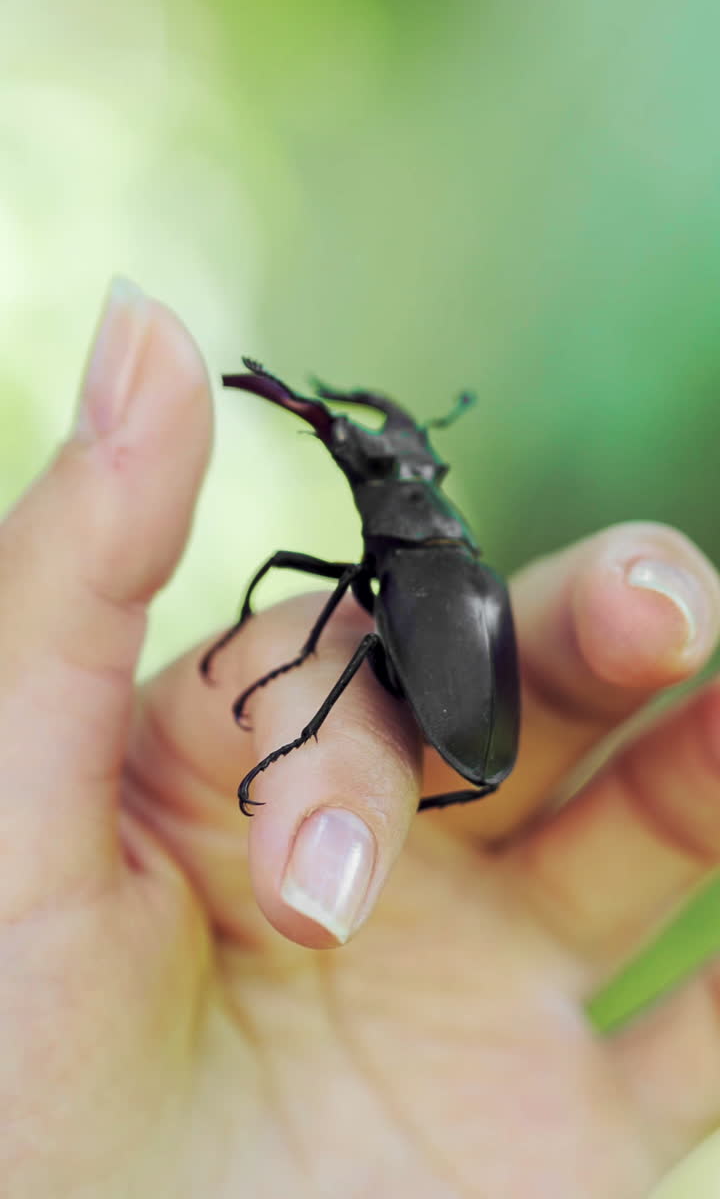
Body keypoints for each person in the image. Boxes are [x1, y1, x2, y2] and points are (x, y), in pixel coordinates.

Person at [1, 278, 718, 1198]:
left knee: (350, 639)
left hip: (456, 727)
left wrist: (284, 715)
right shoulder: (459, 571)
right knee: (348, 640)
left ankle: (305, 737)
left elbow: (350, 633)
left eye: (394, 471)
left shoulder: (410, 583)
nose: (381, 461)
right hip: (463, 729)